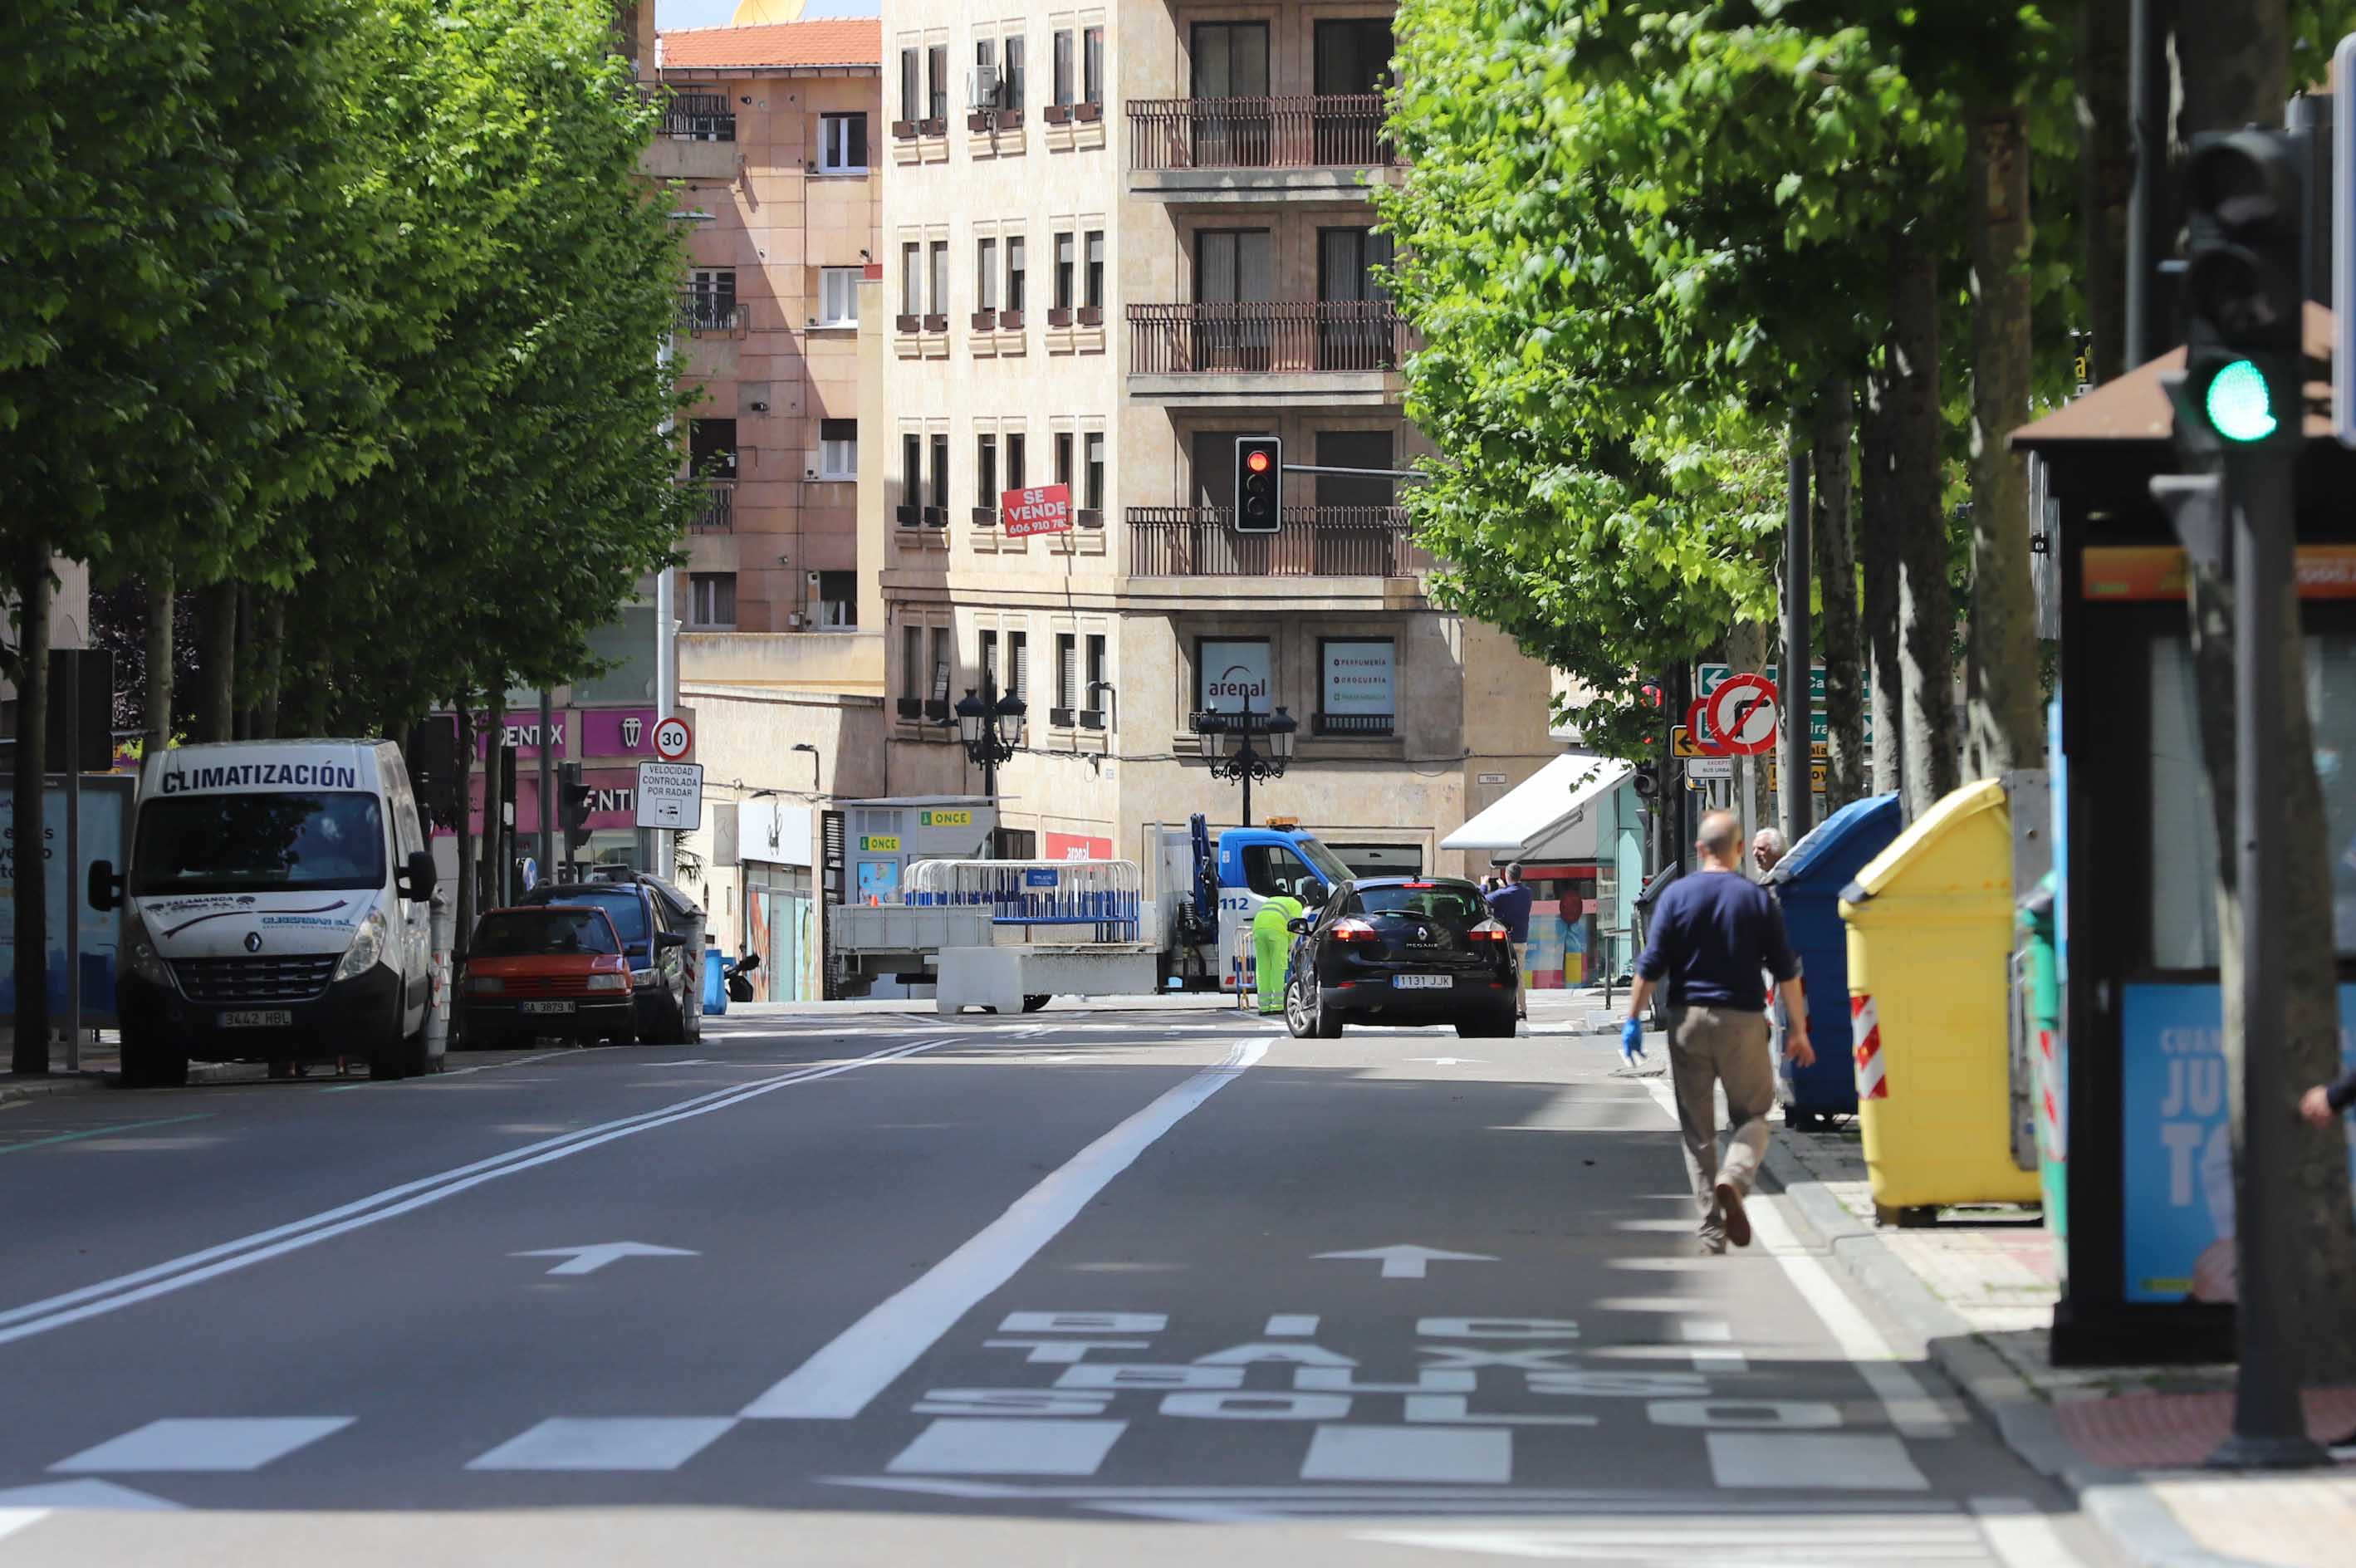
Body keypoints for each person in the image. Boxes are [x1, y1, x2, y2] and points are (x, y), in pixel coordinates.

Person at [1622, 811, 1814, 1255]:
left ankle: (1711, 1227)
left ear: (1699, 849)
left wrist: (1633, 1019)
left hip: (1687, 1021)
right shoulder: (1755, 899)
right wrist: (1799, 1031)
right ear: (1740, 850)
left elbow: (1650, 964)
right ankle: (1737, 1175)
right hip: (1743, 1021)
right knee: (1752, 1116)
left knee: (1698, 1130)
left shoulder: (1676, 896)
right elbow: (1786, 971)